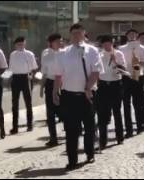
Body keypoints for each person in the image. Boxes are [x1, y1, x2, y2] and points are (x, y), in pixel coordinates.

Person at [53, 24, 104, 170]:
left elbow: (96, 72)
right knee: (71, 130)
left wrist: (88, 87)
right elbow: (58, 74)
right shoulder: (62, 53)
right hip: (69, 96)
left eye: (79, 33)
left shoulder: (92, 50)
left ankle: (89, 153)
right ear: (70, 35)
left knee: (89, 127)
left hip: (86, 95)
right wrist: (55, 91)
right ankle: (72, 159)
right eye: (74, 33)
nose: (76, 36)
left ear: (84, 34)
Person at [97, 35, 126, 150]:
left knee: (117, 111)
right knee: (102, 113)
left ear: (112, 43)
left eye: (108, 43)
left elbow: (124, 70)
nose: (106, 46)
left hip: (115, 84)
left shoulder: (119, 54)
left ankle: (120, 137)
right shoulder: (99, 54)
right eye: (104, 44)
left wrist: (115, 62)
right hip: (103, 85)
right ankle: (102, 140)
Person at [119, 29, 144, 138]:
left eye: (134, 34)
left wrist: (138, 61)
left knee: (139, 103)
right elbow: (120, 63)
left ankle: (140, 125)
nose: (132, 36)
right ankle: (129, 129)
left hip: (138, 77)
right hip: (127, 77)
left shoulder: (142, 48)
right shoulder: (121, 48)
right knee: (126, 104)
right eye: (130, 34)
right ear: (126, 36)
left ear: (137, 36)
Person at [9, 37, 38, 135]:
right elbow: (10, 68)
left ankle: (30, 124)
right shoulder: (12, 55)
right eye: (18, 44)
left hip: (26, 78)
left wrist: (33, 76)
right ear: (15, 45)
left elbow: (34, 68)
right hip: (15, 78)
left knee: (28, 103)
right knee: (14, 104)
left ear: (25, 44)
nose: (20, 46)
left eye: (22, 44)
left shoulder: (29, 54)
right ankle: (15, 127)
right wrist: (4, 78)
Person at [40, 33, 63, 147]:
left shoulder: (65, 53)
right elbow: (44, 71)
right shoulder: (45, 53)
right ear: (51, 43)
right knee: (50, 113)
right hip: (50, 83)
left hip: (64, 84)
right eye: (57, 41)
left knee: (63, 111)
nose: (60, 43)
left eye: (61, 41)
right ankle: (53, 138)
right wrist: (41, 87)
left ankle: (72, 132)